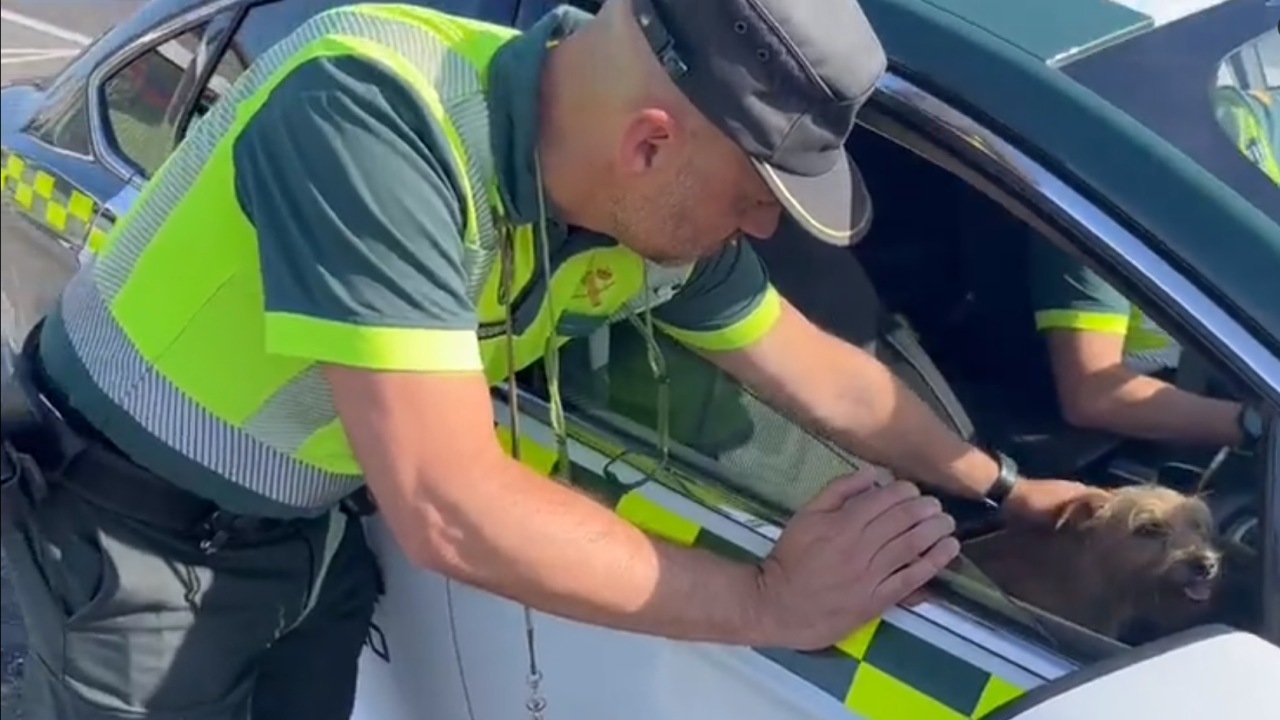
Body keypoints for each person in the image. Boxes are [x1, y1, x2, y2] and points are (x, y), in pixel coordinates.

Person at [0, 1, 1090, 718]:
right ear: (650, 144)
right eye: (754, 199)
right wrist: (769, 604)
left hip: (300, 549)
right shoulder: (374, 108)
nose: (758, 233)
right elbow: (450, 504)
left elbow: (815, 370)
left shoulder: (645, 216)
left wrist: (996, 483)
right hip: (119, 550)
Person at [1026, 85, 1275, 452]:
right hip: (1200, 403)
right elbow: (1093, 391)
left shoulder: (1251, 117)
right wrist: (1257, 425)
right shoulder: (1090, 195)